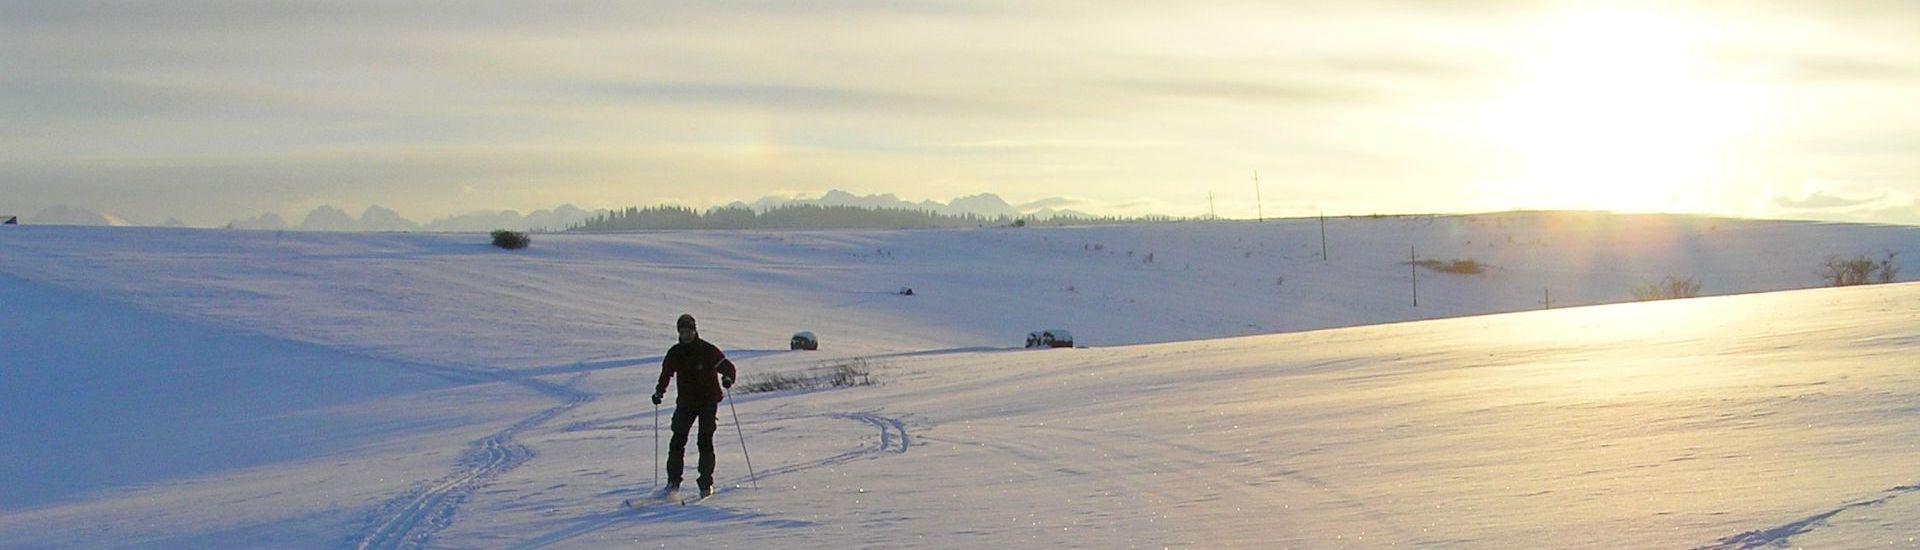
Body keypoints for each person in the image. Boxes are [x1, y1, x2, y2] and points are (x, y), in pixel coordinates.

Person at [653, 313, 737, 497]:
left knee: (704, 441)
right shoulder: (675, 352)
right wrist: (660, 391)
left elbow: (728, 367)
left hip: (708, 401)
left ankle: (706, 485)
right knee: (677, 441)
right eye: (683, 332)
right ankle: (673, 483)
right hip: (686, 403)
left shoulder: (707, 350)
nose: (686, 335)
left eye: (689, 331)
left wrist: (728, 378)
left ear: (695, 330)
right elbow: (666, 374)